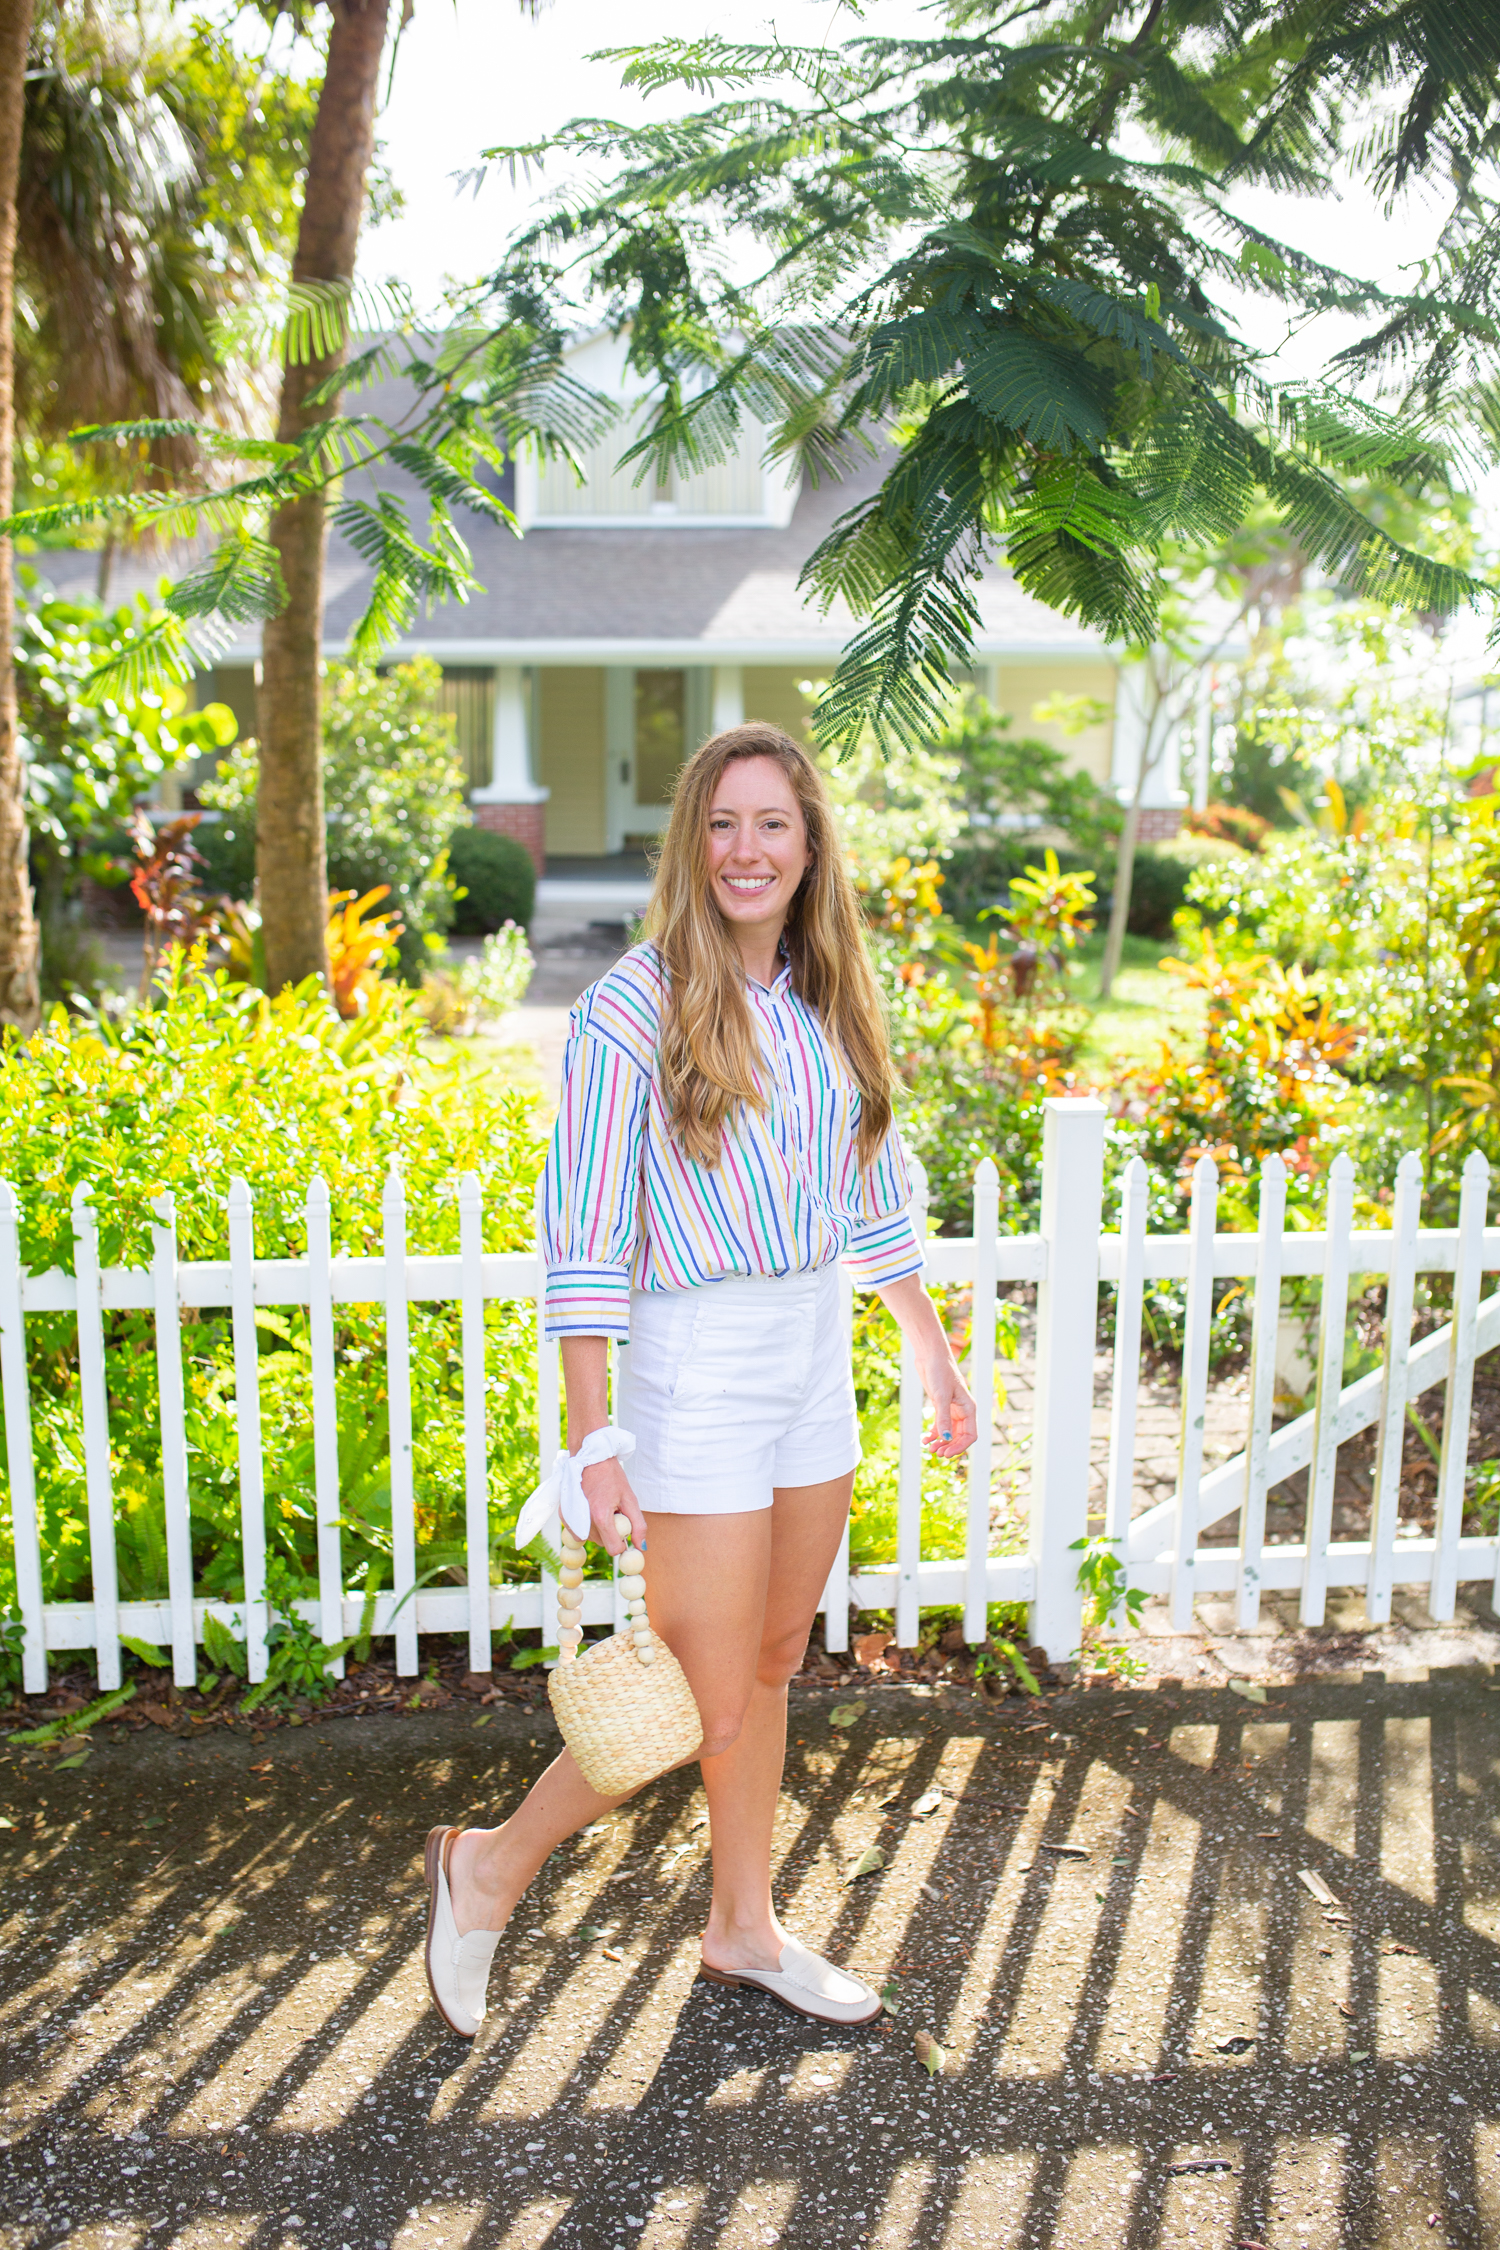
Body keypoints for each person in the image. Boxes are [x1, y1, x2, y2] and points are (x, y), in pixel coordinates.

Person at [423, 722, 977, 2037]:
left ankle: (742, 1927)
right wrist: (593, 1432)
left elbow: (872, 1195)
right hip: (697, 1370)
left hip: (810, 1362)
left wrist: (933, 1346)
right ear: (693, 840)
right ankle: (487, 1866)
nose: (746, 848)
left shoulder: (833, 994)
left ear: (809, 842)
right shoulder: (633, 1006)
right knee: (699, 1684)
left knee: (776, 1656)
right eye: (722, 823)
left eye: (772, 822)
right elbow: (584, 1238)